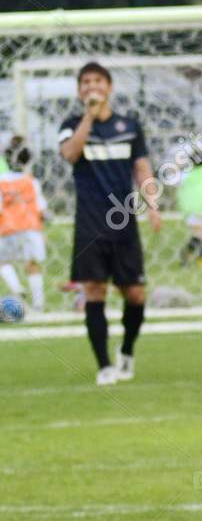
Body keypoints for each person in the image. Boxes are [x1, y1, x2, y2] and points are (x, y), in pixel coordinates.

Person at [58, 61, 160, 386]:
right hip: (89, 223)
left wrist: (152, 204)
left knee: (136, 294)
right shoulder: (71, 125)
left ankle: (126, 350)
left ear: (109, 87)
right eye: (86, 82)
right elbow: (70, 154)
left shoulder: (129, 126)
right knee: (94, 290)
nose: (92, 86)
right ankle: (103, 365)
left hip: (123, 222)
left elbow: (142, 168)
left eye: (98, 81)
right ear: (79, 90)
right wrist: (88, 117)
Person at [0, 138, 47, 310]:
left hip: (8, 227)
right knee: (32, 264)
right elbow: (41, 208)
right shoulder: (31, 181)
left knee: (3, 262)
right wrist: (42, 230)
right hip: (30, 227)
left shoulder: (1, 182)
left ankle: (17, 289)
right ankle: (38, 304)